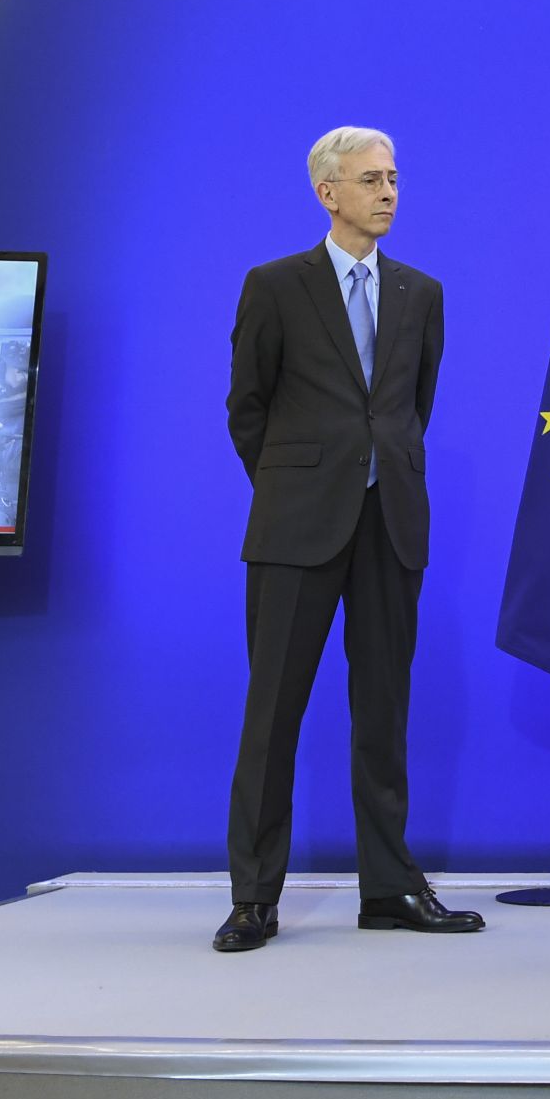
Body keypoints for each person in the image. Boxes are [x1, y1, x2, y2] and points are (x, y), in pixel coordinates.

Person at [213, 126, 482, 952]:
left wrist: (371, 471)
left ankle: (390, 888)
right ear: (328, 192)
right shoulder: (275, 285)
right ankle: (255, 898)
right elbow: (246, 407)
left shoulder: (421, 293)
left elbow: (409, 410)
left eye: (394, 178)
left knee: (383, 712)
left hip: (389, 522)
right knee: (273, 713)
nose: (389, 192)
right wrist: (300, 483)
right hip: (297, 527)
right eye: (371, 180)